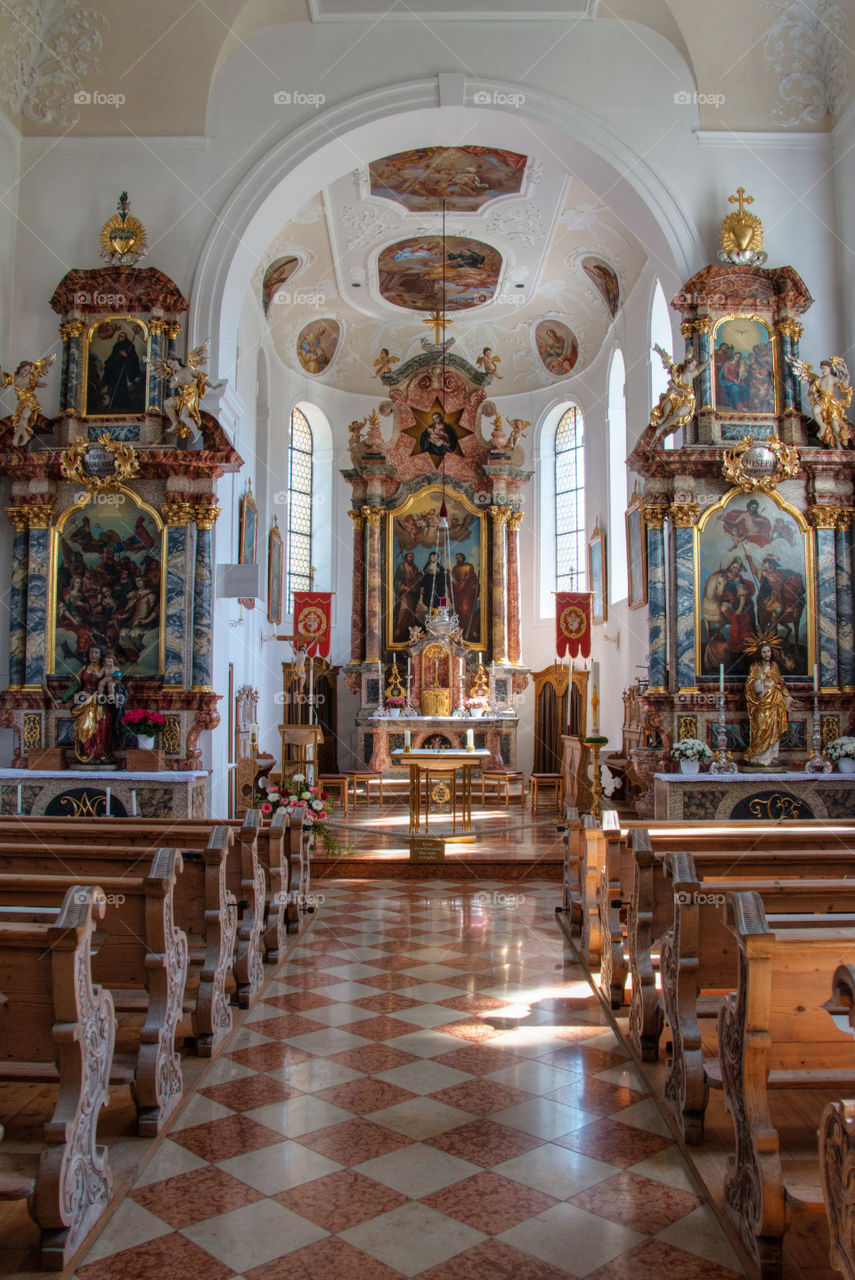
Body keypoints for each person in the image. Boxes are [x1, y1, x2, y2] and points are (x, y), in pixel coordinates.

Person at [59, 645, 118, 764]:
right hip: (85, 701)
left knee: (101, 727)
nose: (93, 655)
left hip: (100, 702)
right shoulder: (85, 668)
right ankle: (87, 753)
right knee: (85, 726)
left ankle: (100, 753)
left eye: (96, 653)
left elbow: (114, 682)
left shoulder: (104, 668)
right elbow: (76, 686)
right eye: (91, 652)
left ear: (101, 655)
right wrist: (63, 699)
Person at [744, 641, 792, 766]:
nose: (767, 654)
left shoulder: (775, 666)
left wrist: (783, 692)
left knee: (775, 726)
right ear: (760, 653)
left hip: (776, 701)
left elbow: (781, 682)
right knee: (762, 727)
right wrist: (758, 684)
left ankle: (773, 755)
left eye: (768, 651)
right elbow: (750, 684)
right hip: (762, 700)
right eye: (764, 652)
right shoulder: (755, 667)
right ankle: (759, 755)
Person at [101, 330, 143, 413]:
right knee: (113, 386)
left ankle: (123, 404)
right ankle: (114, 403)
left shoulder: (129, 345)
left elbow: (133, 359)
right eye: (119, 336)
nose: (119, 337)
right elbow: (112, 357)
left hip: (122, 370)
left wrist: (126, 355)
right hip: (114, 369)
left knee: (121, 387)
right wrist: (105, 363)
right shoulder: (116, 345)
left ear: (125, 338)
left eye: (121, 336)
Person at [393, 551, 421, 641]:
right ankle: (398, 628)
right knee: (403, 608)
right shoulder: (401, 566)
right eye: (409, 556)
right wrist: (404, 587)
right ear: (406, 557)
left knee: (410, 610)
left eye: (412, 556)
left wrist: (414, 586)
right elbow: (397, 580)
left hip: (411, 592)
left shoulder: (414, 567)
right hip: (404, 592)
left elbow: (416, 579)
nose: (411, 558)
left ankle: (410, 629)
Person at [451, 551, 480, 639]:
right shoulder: (455, 568)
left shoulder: (469, 567)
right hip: (458, 594)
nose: (457, 559)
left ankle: (472, 629)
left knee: (467, 610)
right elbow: (453, 582)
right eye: (456, 557)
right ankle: (460, 630)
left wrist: (475, 585)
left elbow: (472, 579)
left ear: (463, 558)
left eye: (459, 557)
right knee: (459, 612)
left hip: (466, 593)